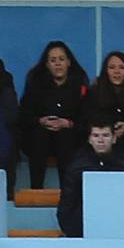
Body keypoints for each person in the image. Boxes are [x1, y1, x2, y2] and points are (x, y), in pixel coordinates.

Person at [17, 40, 89, 191]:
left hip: (70, 138)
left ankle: (67, 191)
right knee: (39, 135)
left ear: (69, 62)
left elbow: (86, 117)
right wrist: (40, 121)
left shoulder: (80, 85)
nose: (58, 64)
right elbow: (24, 113)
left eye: (61, 59)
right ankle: (36, 189)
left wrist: (68, 123)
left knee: (65, 136)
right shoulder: (36, 84)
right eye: (53, 60)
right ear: (47, 64)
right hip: (40, 138)